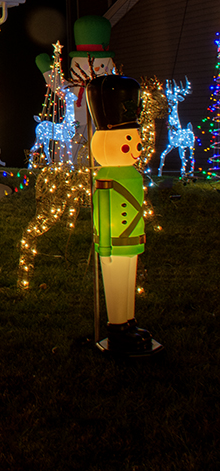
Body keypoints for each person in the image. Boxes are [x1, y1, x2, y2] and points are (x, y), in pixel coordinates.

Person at [86, 75, 162, 355]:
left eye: (135, 140)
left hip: (131, 239)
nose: (136, 147)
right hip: (114, 243)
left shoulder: (131, 173)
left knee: (129, 280)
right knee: (117, 283)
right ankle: (117, 325)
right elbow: (102, 210)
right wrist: (103, 245)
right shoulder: (105, 178)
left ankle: (129, 321)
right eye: (128, 141)